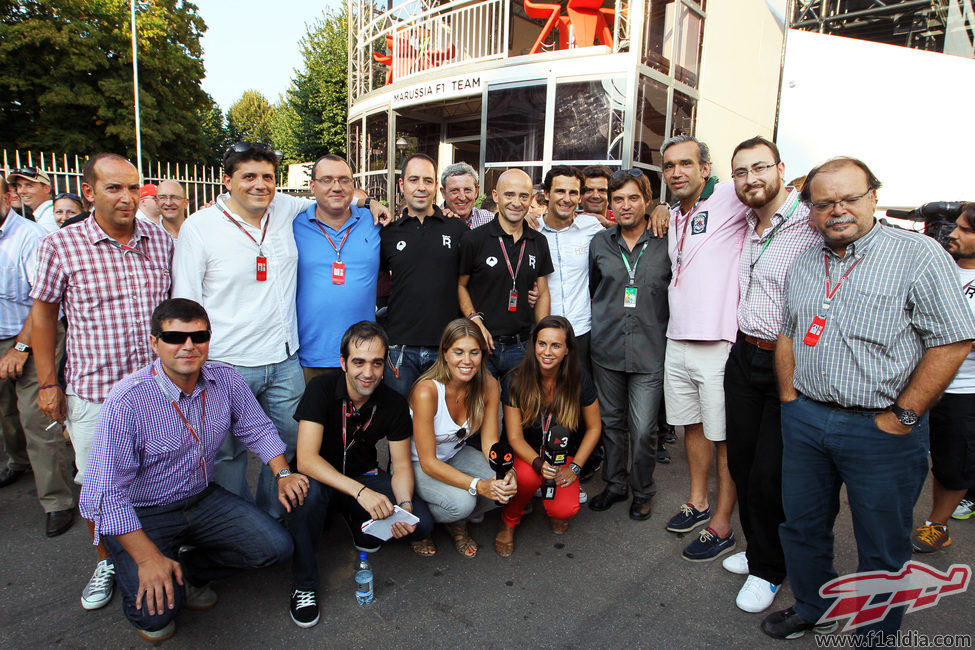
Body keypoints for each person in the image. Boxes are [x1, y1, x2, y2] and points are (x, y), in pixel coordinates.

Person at [765, 157, 975, 641]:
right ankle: (812, 605)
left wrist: (904, 415)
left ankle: (874, 635)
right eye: (824, 203)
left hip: (881, 430)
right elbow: (788, 334)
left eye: (849, 198)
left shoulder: (918, 255)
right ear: (811, 210)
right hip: (807, 420)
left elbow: (953, 341)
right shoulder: (803, 259)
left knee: (881, 545)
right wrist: (790, 400)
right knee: (801, 527)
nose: (837, 210)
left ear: (873, 198)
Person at [172, 143, 385, 520]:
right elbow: (186, 302)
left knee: (289, 445)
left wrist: (367, 201)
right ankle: (234, 524)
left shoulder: (285, 209)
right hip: (226, 363)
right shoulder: (199, 228)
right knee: (226, 452)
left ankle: (273, 519)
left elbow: (335, 194)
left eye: (267, 177)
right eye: (248, 176)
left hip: (285, 358)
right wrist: (189, 365)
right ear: (227, 181)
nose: (260, 185)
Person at [78, 298, 302, 642]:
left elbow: (256, 428)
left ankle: (189, 571)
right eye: (174, 338)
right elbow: (103, 496)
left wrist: (283, 473)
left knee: (275, 546)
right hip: (144, 513)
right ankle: (146, 566)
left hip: (201, 498)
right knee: (157, 621)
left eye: (199, 336)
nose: (188, 346)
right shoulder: (127, 401)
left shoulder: (224, 378)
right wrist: (148, 558)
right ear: (154, 343)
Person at [30, 153, 174, 610]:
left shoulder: (161, 241)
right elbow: (44, 316)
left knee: (156, 480)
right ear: (89, 192)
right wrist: (48, 383)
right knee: (98, 486)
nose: (128, 197)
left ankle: (155, 553)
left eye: (134, 187)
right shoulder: (61, 245)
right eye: (115, 188)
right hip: (95, 393)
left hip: (156, 391)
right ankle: (107, 561)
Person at [721, 136, 820, 614]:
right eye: (740, 172)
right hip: (743, 354)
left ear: (781, 168)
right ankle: (759, 547)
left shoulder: (810, 220)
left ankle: (770, 569)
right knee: (741, 463)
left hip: (789, 359)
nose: (750, 179)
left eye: (759, 168)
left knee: (770, 472)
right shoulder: (745, 220)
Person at [286, 321, 434, 628]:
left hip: (362, 476)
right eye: (359, 362)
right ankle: (305, 585)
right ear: (343, 362)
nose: (368, 372)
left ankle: (359, 522)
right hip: (321, 478)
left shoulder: (392, 402)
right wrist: (361, 493)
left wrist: (403, 508)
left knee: (421, 523)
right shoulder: (321, 388)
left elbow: (402, 465)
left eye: (376, 363)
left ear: (385, 365)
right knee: (305, 495)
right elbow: (306, 460)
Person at [661, 135, 748, 562]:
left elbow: (777, 195)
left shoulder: (731, 196)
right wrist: (663, 207)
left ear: (705, 167)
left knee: (723, 438)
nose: (677, 172)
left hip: (717, 343)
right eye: (669, 166)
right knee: (690, 428)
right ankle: (698, 503)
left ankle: (723, 525)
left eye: (685, 164)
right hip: (676, 340)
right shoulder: (675, 213)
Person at [587, 168, 670, 520]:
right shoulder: (600, 243)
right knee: (612, 424)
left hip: (650, 350)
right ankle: (616, 484)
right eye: (617, 199)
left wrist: (667, 207)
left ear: (646, 201)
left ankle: (643, 489)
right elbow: (594, 287)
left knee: (643, 430)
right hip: (606, 348)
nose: (625, 205)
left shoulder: (668, 239)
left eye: (633, 198)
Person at [0, 177, 75, 536]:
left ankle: (57, 501)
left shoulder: (30, 238)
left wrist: (20, 347)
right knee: (6, 413)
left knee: (37, 416)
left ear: (7, 197)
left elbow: (43, 306)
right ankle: (16, 462)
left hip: (27, 338)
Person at [409, 318, 516, 557]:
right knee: (463, 502)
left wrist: (506, 471)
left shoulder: (488, 384)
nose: (467, 361)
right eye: (458, 352)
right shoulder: (427, 391)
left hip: (454, 454)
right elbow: (428, 462)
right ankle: (419, 516)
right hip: (417, 463)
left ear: (482, 354)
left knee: (504, 486)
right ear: (445, 353)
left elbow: (490, 442)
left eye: (474, 352)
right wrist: (477, 485)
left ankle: (455, 518)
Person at [495, 316, 600, 555]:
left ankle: (553, 502)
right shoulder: (515, 379)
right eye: (542, 344)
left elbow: (594, 428)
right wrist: (538, 463)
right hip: (527, 455)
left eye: (556, 345)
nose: (547, 352)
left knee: (565, 511)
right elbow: (514, 437)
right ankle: (509, 521)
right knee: (528, 479)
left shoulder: (579, 378)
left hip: (563, 457)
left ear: (567, 350)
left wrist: (575, 469)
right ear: (533, 346)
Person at [910, 202, 975, 554]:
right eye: (957, 226)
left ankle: (938, 524)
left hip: (963, 391)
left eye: (966, 230)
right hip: (919, 382)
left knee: (951, 465)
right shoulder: (942, 268)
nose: (954, 233)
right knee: (910, 456)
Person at [380, 154, 469, 396]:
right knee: (400, 427)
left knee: (442, 428)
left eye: (428, 181)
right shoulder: (387, 233)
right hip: (400, 350)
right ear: (401, 185)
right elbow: (376, 282)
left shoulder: (458, 229)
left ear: (435, 188)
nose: (421, 187)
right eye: (414, 180)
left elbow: (471, 282)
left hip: (445, 348)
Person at [459, 169, 553, 377]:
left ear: (531, 199)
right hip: (482, 345)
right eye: (509, 195)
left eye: (523, 196)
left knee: (519, 408)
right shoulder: (474, 239)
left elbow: (543, 292)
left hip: (521, 347)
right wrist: (475, 320)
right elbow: (460, 286)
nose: (516, 203)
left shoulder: (539, 241)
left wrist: (542, 336)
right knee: (481, 409)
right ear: (495, 196)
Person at [294, 155, 379, 380]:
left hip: (363, 357)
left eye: (343, 180)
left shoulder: (375, 222)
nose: (336, 186)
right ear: (312, 186)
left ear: (353, 185)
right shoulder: (292, 224)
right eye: (327, 179)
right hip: (310, 356)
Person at [440, 162, 493, 229]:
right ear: (443, 193)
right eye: (455, 190)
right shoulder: (432, 221)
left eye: (467, 190)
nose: (462, 197)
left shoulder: (489, 220)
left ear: (476, 191)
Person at [7, 166, 56, 232]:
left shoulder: (49, 218)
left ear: (46, 188)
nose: (22, 191)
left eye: (29, 185)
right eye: (19, 186)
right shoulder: (46, 213)